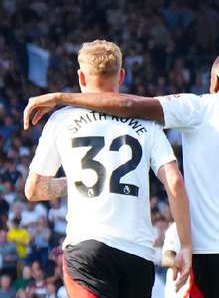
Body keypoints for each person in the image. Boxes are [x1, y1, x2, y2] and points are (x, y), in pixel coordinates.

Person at [25, 46, 219, 298]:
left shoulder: (201, 107)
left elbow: (130, 105)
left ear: (215, 81)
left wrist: (60, 97)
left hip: (210, 251)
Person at [24, 40, 192, 298]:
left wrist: (78, 181)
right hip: (137, 255)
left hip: (88, 249)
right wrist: (186, 245)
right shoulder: (147, 123)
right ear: (121, 76)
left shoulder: (62, 118)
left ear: (81, 76)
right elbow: (175, 182)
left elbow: (34, 190)